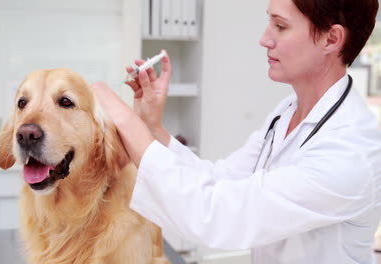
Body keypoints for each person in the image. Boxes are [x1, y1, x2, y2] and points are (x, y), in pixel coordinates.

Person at [92, 0, 381, 262]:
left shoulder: (349, 152)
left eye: (280, 26)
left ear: (331, 39)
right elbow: (219, 179)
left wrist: (123, 118)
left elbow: (218, 215)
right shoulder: (287, 111)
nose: (264, 39)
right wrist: (151, 127)